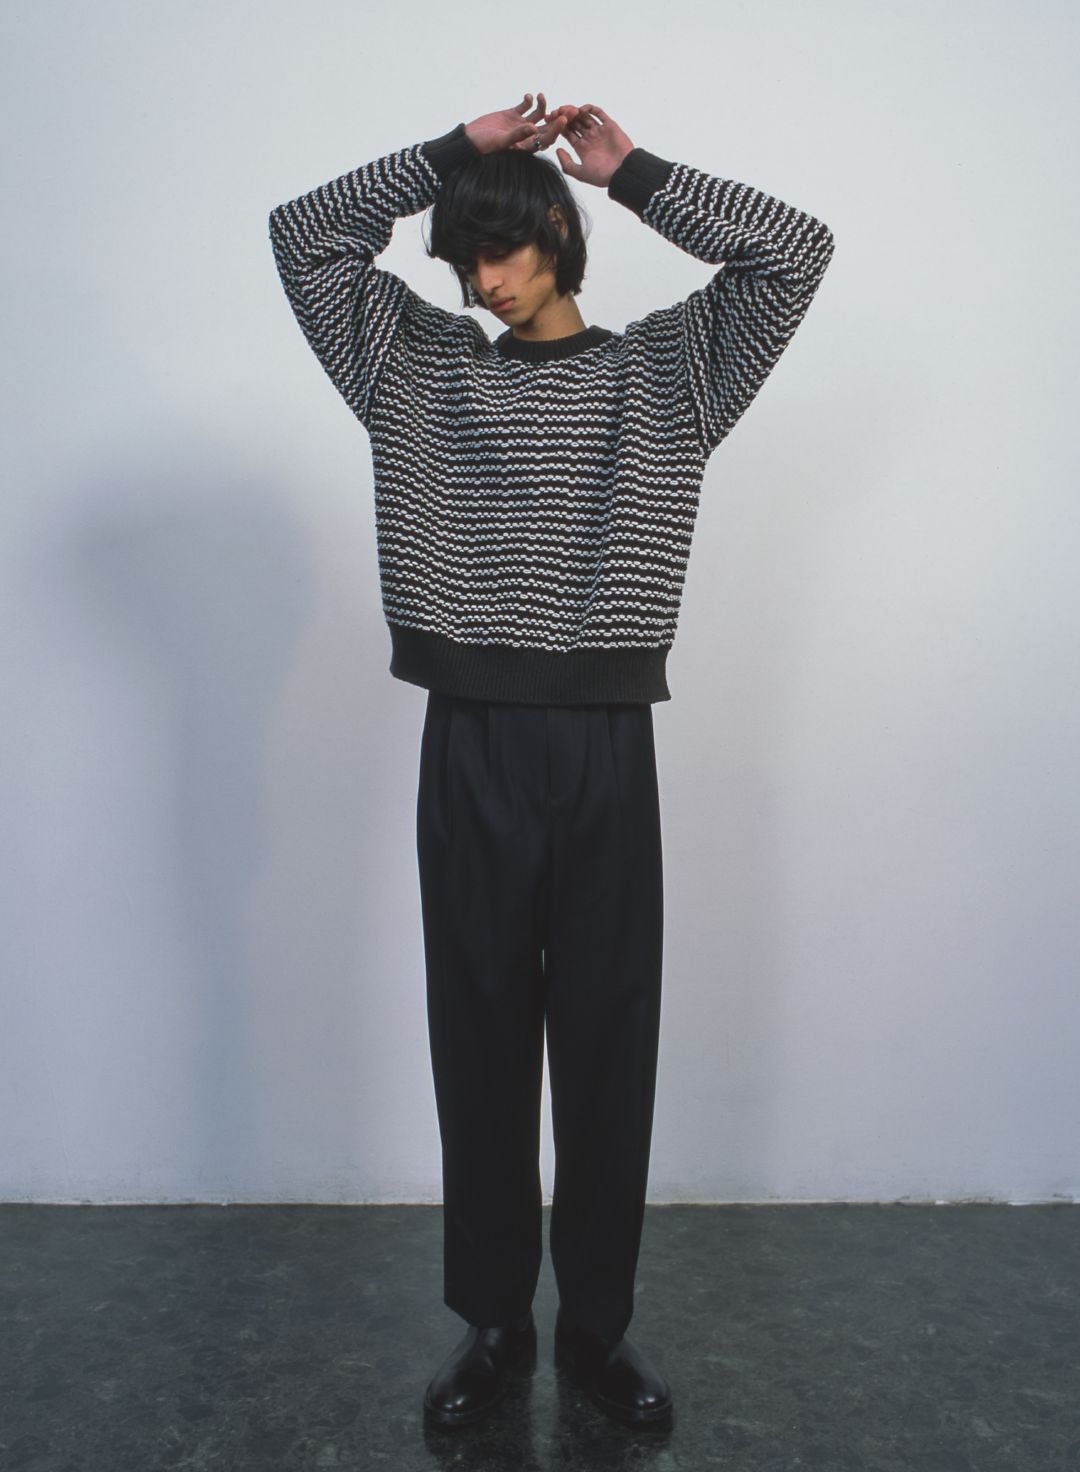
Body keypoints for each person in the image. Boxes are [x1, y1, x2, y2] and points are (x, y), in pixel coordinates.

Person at [268, 92, 834, 1430]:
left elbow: (794, 249)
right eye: (465, 254)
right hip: (470, 737)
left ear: (561, 239)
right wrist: (453, 157)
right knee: (476, 1036)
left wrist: (633, 173)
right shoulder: (412, 364)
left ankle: (597, 1329)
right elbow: (303, 236)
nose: (482, 276)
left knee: (606, 1039)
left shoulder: (671, 372)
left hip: (603, 745)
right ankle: (491, 1324)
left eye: (505, 247)